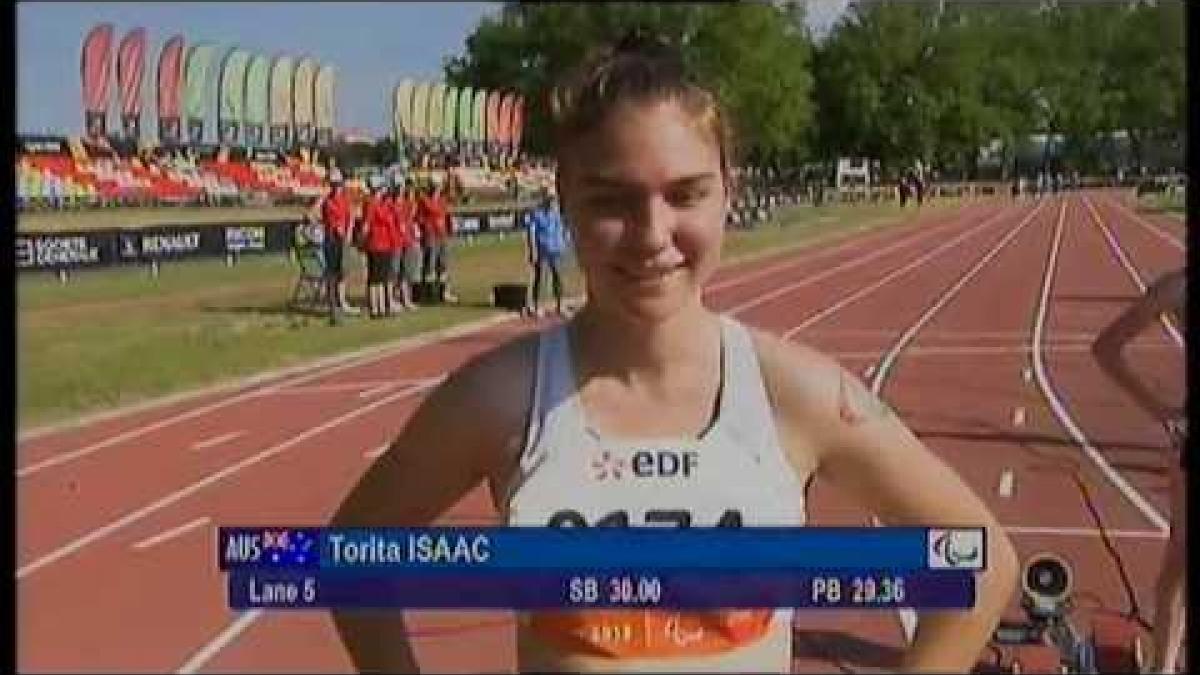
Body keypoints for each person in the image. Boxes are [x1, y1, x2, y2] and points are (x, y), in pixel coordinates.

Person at [330, 34, 1018, 674]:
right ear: (564, 199)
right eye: (613, 200)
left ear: (729, 193)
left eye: (686, 193)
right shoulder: (499, 398)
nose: (652, 234)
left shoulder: (798, 393)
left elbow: (982, 566)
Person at [1092, 268, 1187, 674]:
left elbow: (1107, 348)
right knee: (1178, 568)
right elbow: (1106, 348)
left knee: (1178, 568)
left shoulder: (1177, 285)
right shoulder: (1177, 286)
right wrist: (1162, 412)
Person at [308, 177, 359, 325]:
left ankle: (341, 302)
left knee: (342, 272)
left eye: (338, 185)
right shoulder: (326, 200)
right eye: (334, 185)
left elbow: (351, 217)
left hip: (342, 240)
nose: (337, 187)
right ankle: (333, 306)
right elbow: (311, 215)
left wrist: (349, 233)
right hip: (331, 239)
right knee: (332, 273)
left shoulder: (344, 199)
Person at [524, 188, 571, 318]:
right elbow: (531, 232)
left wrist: (566, 241)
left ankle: (560, 305)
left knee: (559, 278)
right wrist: (532, 249)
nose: (552, 202)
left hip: (558, 249)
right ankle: (538, 306)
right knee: (541, 279)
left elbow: (567, 227)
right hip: (542, 250)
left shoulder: (559, 213)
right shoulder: (536, 213)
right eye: (550, 199)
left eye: (554, 199)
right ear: (545, 199)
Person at [416, 180, 457, 303]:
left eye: (438, 186)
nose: (436, 189)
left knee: (443, 265)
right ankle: (427, 293)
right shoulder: (424, 200)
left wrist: (449, 228)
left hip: (442, 235)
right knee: (429, 265)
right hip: (430, 236)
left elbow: (447, 214)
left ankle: (444, 292)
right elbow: (419, 217)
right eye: (434, 186)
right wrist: (426, 226)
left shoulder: (442, 200)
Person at [360, 179, 397, 318]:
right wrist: (362, 242)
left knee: (382, 277)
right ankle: (375, 307)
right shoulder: (371, 203)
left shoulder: (384, 204)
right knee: (375, 277)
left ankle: (382, 306)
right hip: (375, 243)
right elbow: (366, 225)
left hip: (385, 243)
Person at [390, 179, 421, 311]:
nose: (401, 190)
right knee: (394, 272)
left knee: (406, 272)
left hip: (407, 240)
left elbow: (412, 216)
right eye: (398, 187)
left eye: (402, 187)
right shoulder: (390, 204)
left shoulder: (407, 203)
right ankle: (392, 299)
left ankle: (406, 299)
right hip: (395, 241)